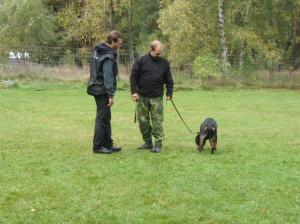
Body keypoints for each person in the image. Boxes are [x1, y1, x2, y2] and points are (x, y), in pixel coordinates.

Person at [130, 40, 174, 153]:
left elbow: (169, 80)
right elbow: (133, 76)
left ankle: (158, 143)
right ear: (151, 50)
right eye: (158, 53)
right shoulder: (141, 60)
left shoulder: (164, 63)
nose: (160, 55)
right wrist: (134, 92)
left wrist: (169, 93)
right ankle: (148, 142)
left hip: (156, 97)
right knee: (142, 121)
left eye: (161, 53)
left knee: (157, 120)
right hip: (141, 96)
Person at [88, 30, 122, 154]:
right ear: (112, 42)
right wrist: (111, 94)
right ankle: (97, 146)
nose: (120, 46)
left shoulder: (99, 51)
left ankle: (108, 143)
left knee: (106, 117)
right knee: (101, 118)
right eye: (118, 43)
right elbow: (108, 76)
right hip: (102, 90)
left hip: (97, 86)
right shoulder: (108, 55)